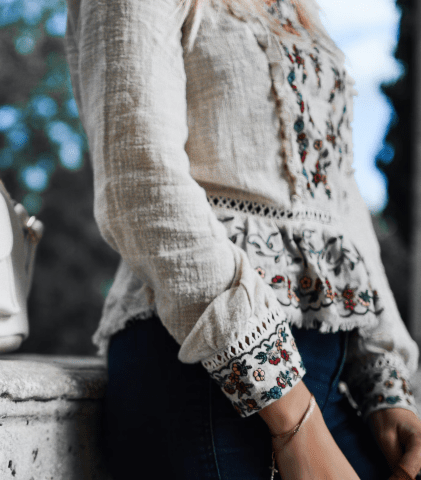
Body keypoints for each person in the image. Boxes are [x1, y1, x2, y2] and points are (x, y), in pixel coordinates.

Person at [64, 0, 421, 478]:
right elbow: (140, 179)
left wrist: (386, 390)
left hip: (325, 383)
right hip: (210, 377)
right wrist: (295, 420)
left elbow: (338, 201)